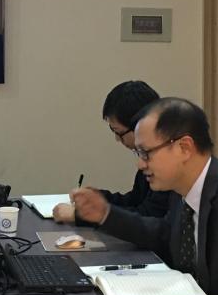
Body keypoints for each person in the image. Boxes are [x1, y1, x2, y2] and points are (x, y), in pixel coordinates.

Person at [70, 97, 218, 295]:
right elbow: (165, 235)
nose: (140, 164)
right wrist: (105, 215)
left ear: (184, 148)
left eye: (146, 153)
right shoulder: (185, 188)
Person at [52, 80, 171, 223]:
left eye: (118, 132)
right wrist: (98, 198)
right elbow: (134, 200)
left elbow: (149, 216)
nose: (117, 139)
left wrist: (82, 216)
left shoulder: (166, 162)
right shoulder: (148, 156)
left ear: (140, 125)